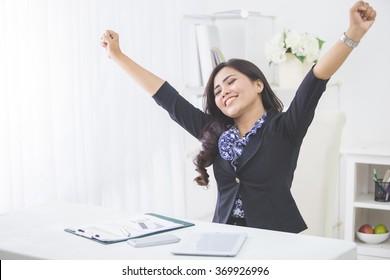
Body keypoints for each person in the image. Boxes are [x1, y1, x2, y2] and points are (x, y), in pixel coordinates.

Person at [100, 1, 376, 233]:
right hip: (223, 237)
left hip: (277, 240)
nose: (224, 92)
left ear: (258, 84)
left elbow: (316, 77)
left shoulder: (285, 127)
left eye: (231, 82)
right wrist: (118, 56)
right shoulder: (214, 130)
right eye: (218, 90)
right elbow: (166, 97)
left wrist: (353, 33)